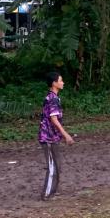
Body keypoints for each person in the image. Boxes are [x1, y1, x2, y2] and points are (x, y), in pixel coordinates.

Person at [39, 70, 74, 200]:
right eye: (60, 80)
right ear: (54, 83)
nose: (63, 82)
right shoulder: (52, 99)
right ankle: (46, 195)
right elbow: (54, 120)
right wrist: (66, 135)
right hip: (47, 138)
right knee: (52, 167)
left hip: (52, 137)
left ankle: (52, 192)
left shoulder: (54, 97)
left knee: (57, 165)